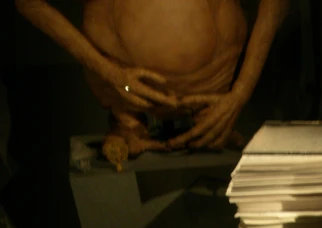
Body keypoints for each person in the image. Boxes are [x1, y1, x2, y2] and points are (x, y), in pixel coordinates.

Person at [16, 0, 289, 166]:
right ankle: (128, 124)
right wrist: (112, 74)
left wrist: (241, 91)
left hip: (215, 88)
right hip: (124, 91)